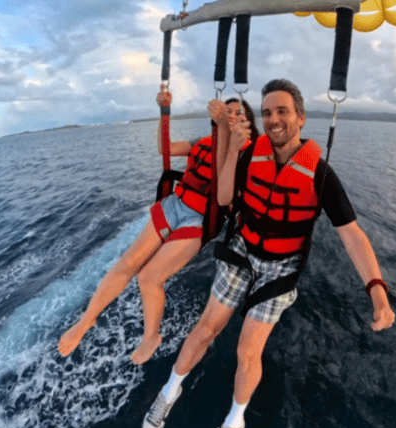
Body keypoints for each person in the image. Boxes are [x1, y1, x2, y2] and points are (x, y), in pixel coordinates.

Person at [141, 79, 395, 428]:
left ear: (300, 118)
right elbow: (224, 198)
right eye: (268, 112)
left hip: (280, 267)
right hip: (243, 250)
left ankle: (233, 423)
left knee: (247, 351)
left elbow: (352, 234)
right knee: (206, 328)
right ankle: (170, 390)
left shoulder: (320, 174)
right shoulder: (250, 152)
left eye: (282, 111)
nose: (274, 119)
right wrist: (231, 143)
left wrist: (376, 289)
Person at [57, 86, 259, 363]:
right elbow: (165, 150)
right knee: (127, 263)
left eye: (239, 113)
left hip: (200, 219)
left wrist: (226, 131)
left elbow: (227, 189)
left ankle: (151, 336)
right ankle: (85, 321)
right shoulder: (203, 141)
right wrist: (164, 112)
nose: (232, 116)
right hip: (174, 204)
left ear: (249, 122)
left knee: (149, 278)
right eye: (228, 111)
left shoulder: (248, 153)